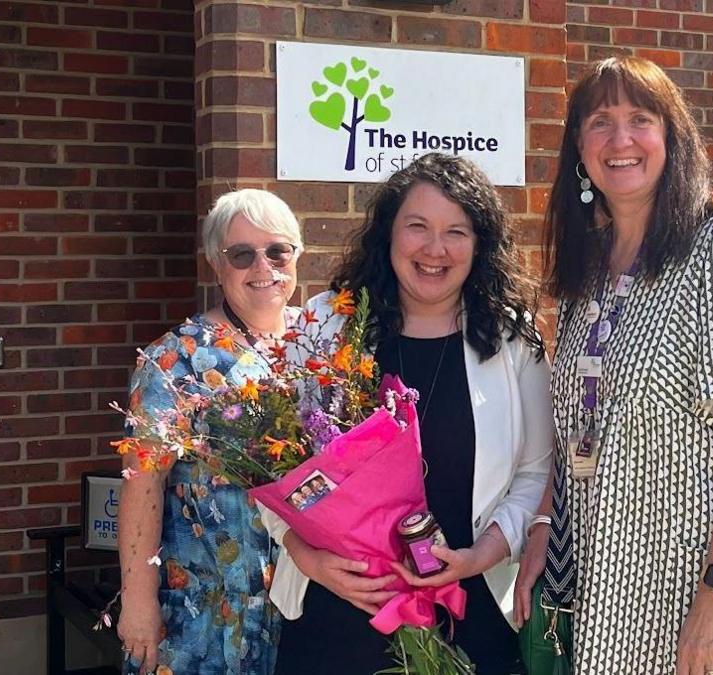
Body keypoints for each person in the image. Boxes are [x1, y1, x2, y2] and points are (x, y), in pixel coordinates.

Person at [515, 56, 713, 674]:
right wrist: (548, 527)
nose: (620, 139)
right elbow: (582, 425)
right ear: (579, 146)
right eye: (601, 122)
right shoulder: (591, 266)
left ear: (671, 137)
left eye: (640, 120)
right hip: (617, 590)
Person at [264, 153, 552, 674]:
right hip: (341, 608)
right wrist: (306, 557)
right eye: (416, 226)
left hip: (468, 611)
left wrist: (481, 555)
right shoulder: (326, 324)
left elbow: (536, 472)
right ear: (388, 233)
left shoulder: (512, 338)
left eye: (456, 231)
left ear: (479, 243)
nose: (434, 249)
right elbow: (271, 464)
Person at [118, 189, 305, 674]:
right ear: (215, 265)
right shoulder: (173, 360)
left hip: (305, 602)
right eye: (241, 254)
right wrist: (138, 604)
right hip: (206, 611)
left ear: (297, 256)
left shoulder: (319, 347)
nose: (263, 267)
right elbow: (144, 483)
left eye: (277, 251)